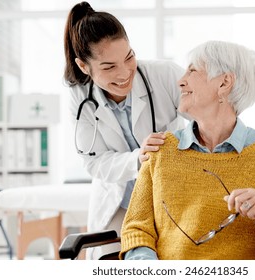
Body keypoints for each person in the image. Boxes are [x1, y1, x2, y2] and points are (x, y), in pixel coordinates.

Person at [120, 41, 255, 260]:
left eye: (192, 71)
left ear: (224, 83)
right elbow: (136, 229)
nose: (181, 82)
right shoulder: (161, 150)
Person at [63, 1, 186, 259]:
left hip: (171, 196)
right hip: (118, 202)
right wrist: (137, 159)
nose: (125, 73)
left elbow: (206, 120)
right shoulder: (80, 96)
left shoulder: (164, 75)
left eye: (129, 57)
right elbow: (94, 163)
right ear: (85, 67)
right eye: (109, 67)